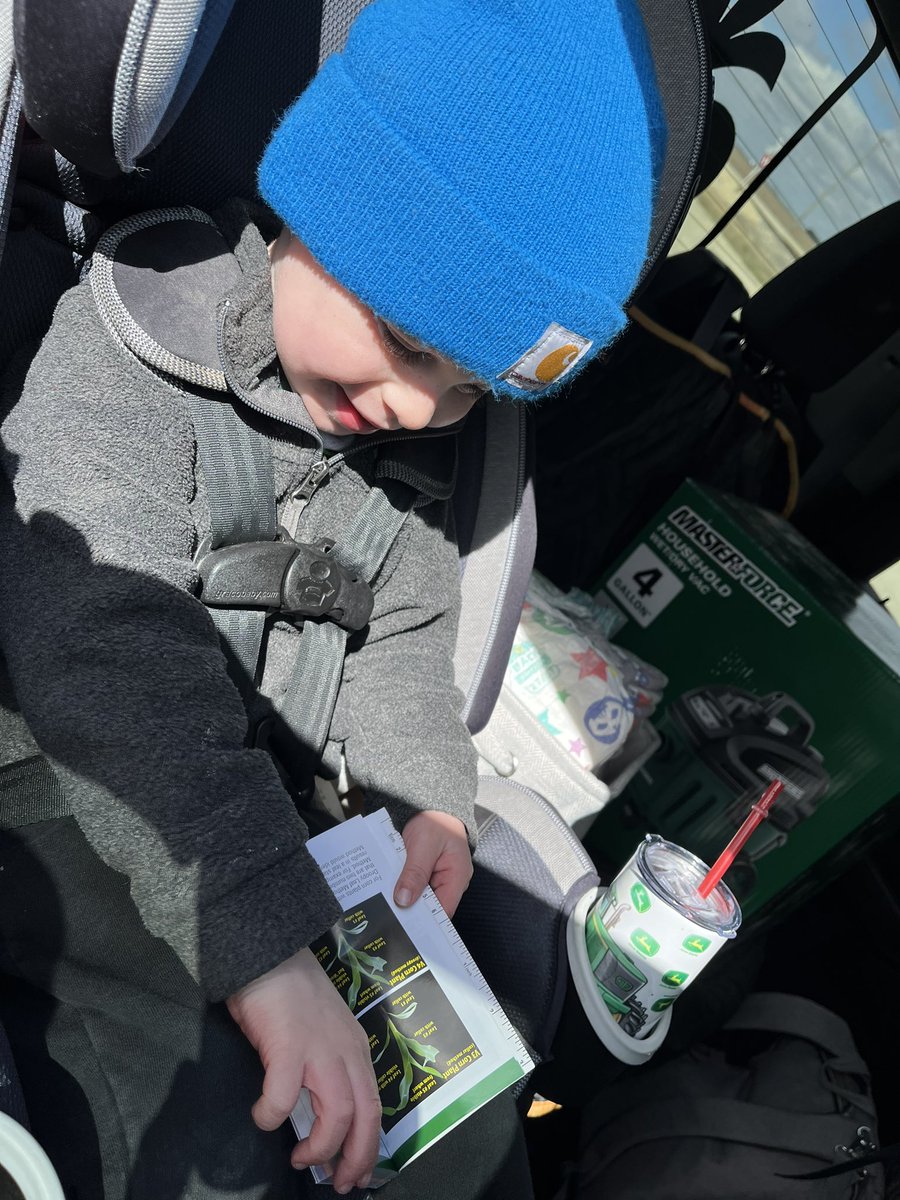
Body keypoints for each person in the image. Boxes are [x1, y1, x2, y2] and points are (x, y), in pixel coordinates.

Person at [0, 0, 664, 1196]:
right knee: (218, 1141)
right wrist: (264, 952)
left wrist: (428, 794)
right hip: (65, 774)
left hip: (246, 817)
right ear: (323, 208)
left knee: (472, 1145)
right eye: (407, 343)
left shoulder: (394, 465)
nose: (419, 409)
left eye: (465, 393)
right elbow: (98, 651)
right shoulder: (130, 350)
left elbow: (406, 635)